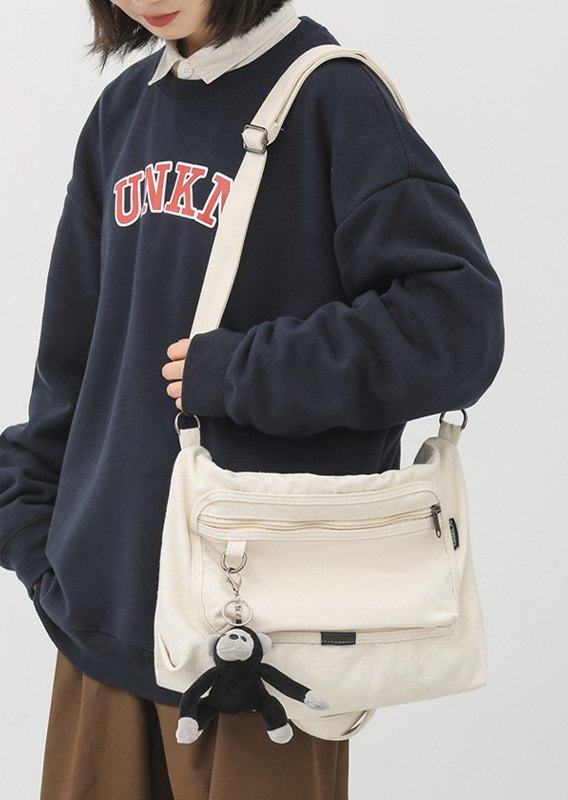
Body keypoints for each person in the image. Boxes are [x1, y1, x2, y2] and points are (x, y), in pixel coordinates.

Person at [0, 0, 505, 797]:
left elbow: (456, 324)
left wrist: (244, 373)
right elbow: (72, 361)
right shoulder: (122, 114)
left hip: (261, 651)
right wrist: (35, 532)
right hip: (100, 636)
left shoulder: (333, 97)